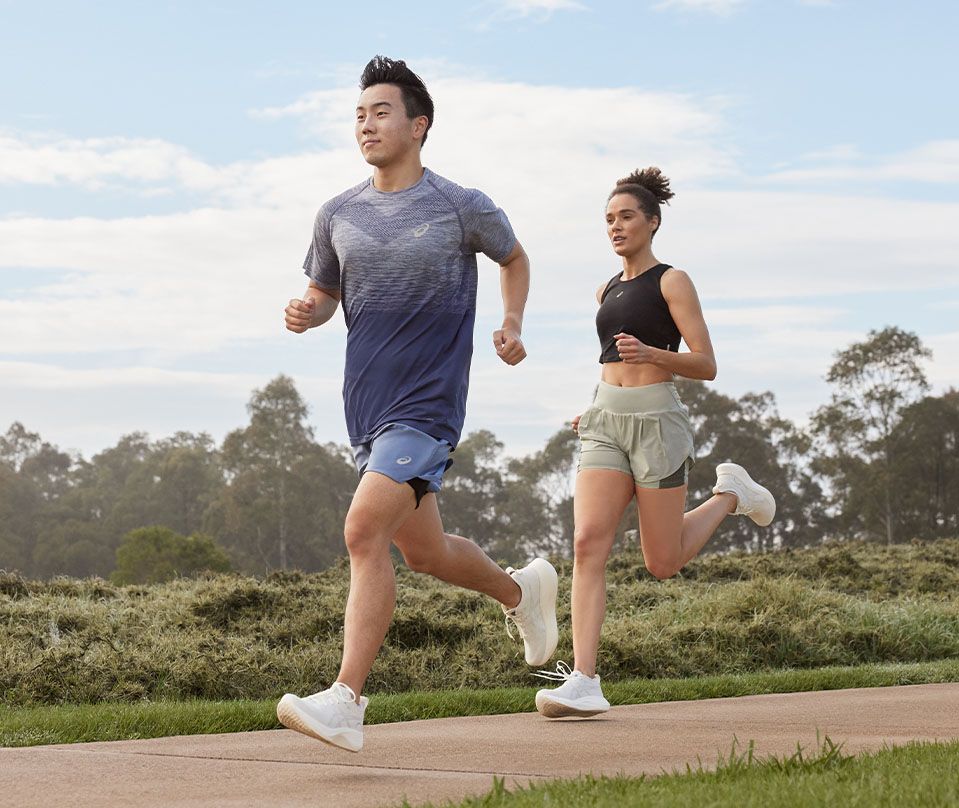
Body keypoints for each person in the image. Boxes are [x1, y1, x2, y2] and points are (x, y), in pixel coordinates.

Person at [275, 56, 558, 752]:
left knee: (362, 531)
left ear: (418, 124)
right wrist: (309, 310)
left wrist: (512, 322)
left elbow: (515, 258)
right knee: (425, 553)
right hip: (366, 410)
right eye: (359, 115)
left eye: (381, 112)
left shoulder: (460, 206)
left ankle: (346, 700)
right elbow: (327, 292)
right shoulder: (337, 213)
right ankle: (522, 594)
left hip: (427, 407)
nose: (367, 124)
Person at [534, 167, 776, 718]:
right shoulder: (606, 289)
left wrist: (653, 355)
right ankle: (585, 680)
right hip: (604, 422)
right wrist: (595, 409)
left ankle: (730, 496)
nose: (615, 227)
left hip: (658, 425)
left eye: (626, 217)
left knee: (661, 562)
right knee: (587, 544)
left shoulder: (672, 281)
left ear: (652, 222)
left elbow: (706, 364)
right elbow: (609, 360)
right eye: (609, 220)